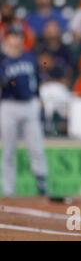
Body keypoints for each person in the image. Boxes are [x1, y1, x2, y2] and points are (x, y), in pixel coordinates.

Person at [0, 25, 48, 197]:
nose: (16, 39)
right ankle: (8, 190)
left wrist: (38, 98)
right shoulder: (2, 59)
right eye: (13, 35)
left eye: (19, 36)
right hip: (8, 105)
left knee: (36, 147)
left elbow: (36, 81)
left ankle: (42, 184)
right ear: (7, 38)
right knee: (8, 150)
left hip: (29, 105)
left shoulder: (29, 57)